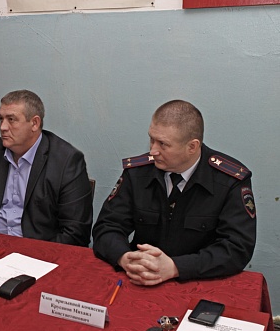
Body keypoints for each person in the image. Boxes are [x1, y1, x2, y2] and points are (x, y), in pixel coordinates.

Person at [92, 100, 256, 285]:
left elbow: (237, 248)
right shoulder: (137, 173)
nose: (153, 151)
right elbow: (107, 226)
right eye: (152, 139)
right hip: (140, 278)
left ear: (192, 147)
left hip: (198, 283)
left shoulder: (229, 181)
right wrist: (125, 258)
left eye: (163, 144)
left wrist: (175, 267)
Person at [0, 90, 93, 246]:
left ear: (34, 123)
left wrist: (33, 254)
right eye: (1, 119)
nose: (3, 127)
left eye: (11, 119)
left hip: (36, 251)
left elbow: (76, 233)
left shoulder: (66, 160)